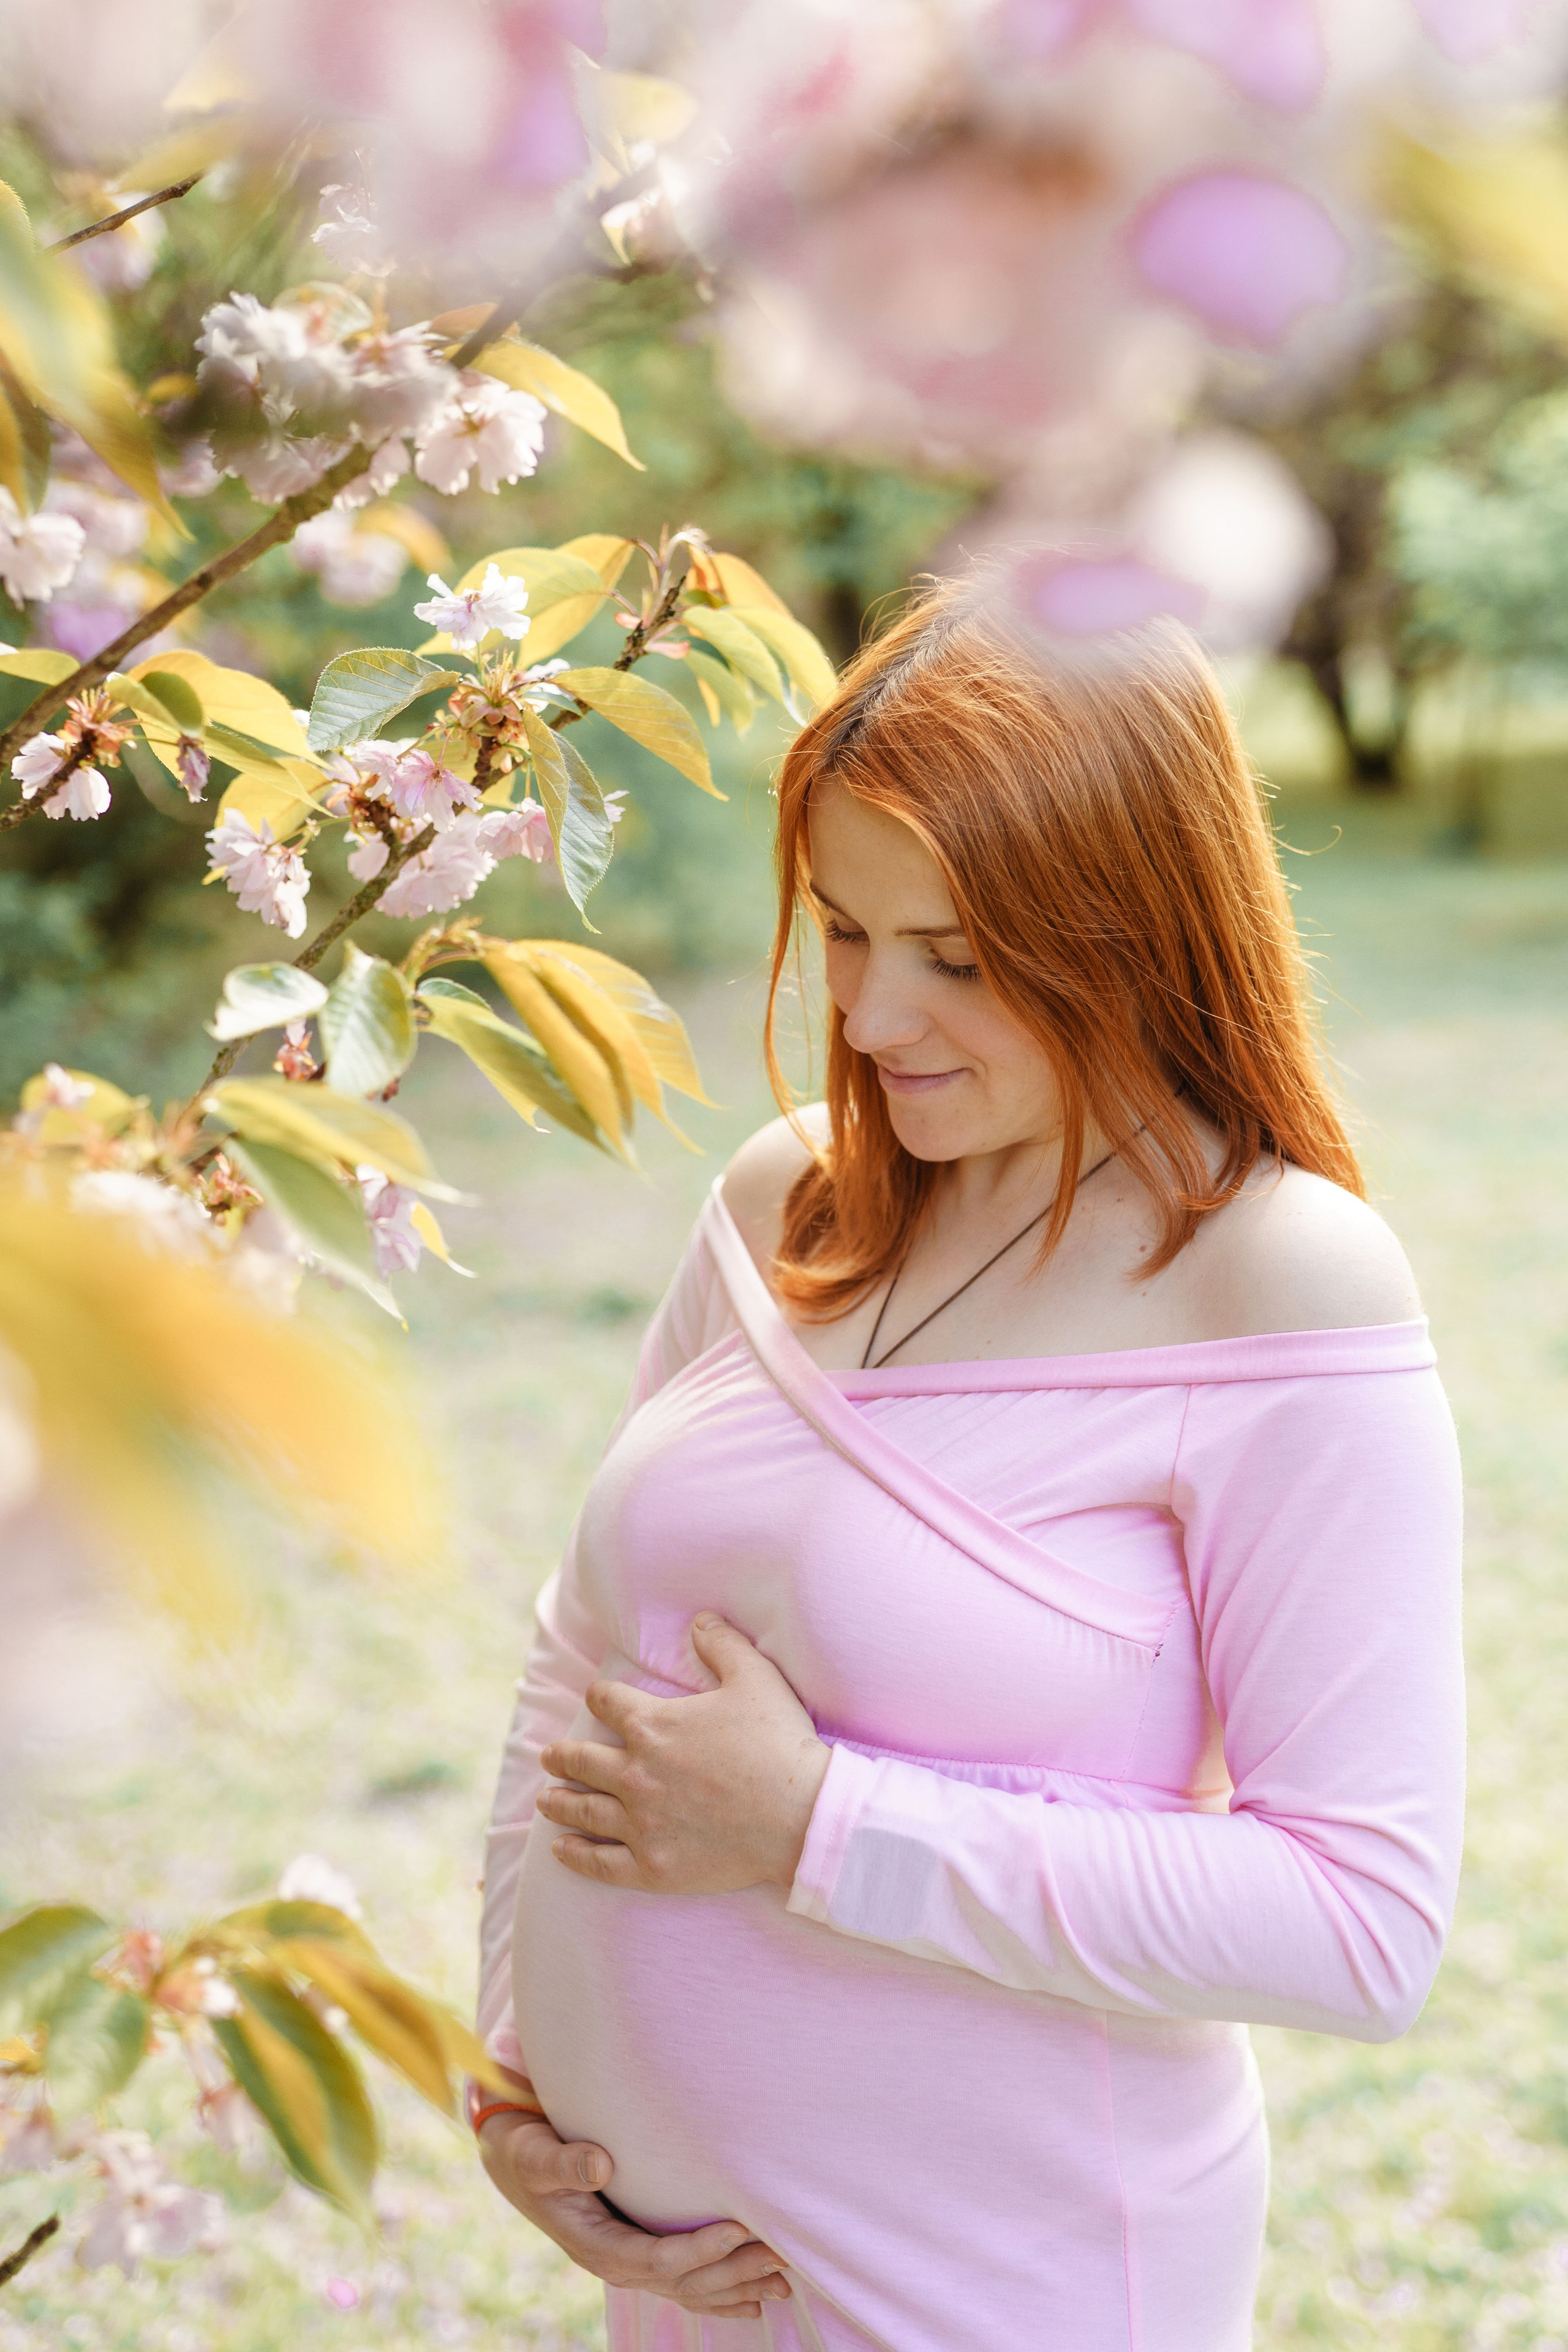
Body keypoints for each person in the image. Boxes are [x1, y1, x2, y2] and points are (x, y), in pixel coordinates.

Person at [470, 580, 1465, 2351]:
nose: (868, 1018)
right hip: (689, 2287)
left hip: (1014, 2278)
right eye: (845, 931)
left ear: (1135, 932)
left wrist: (815, 1826)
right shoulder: (792, 1205)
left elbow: (1360, 1921)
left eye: (959, 958)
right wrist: (522, 2087)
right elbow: (582, 1654)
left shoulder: (1273, 1279)